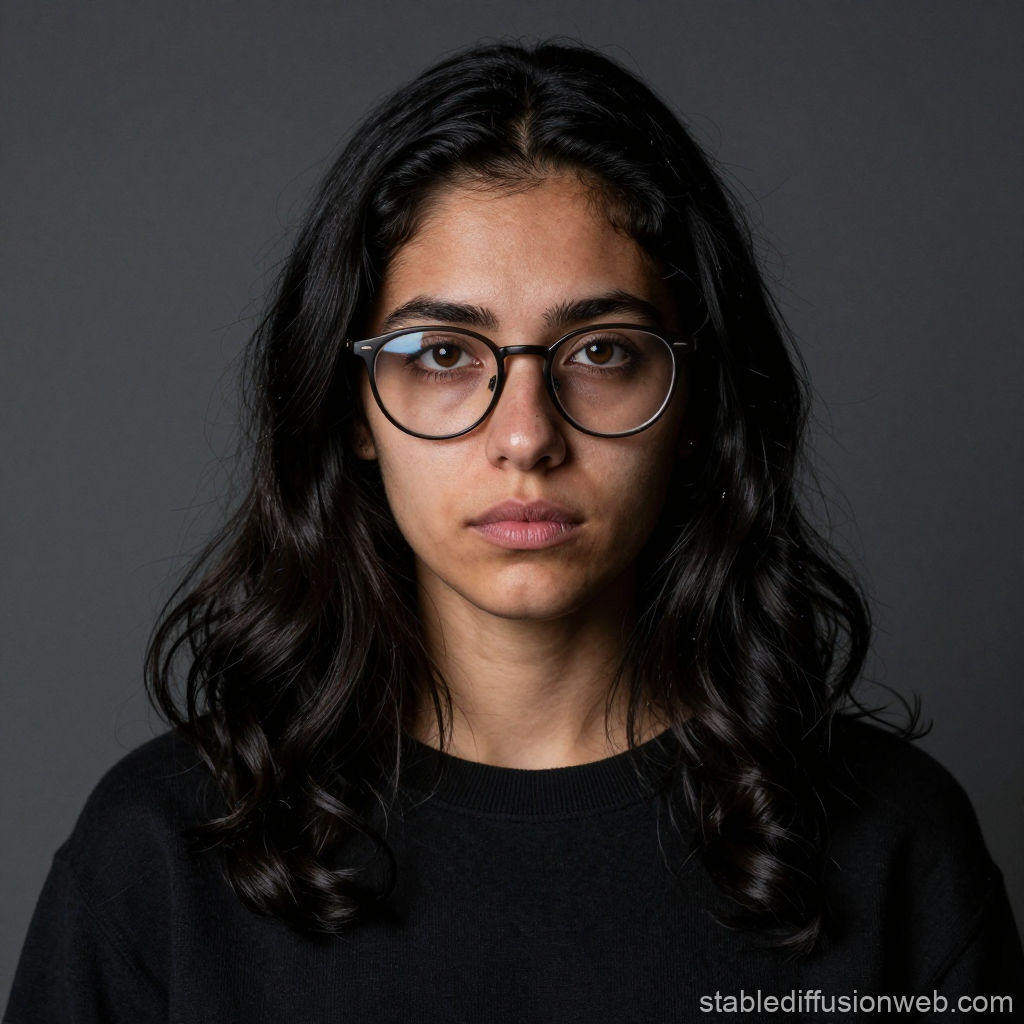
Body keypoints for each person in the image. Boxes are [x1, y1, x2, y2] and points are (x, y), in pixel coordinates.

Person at [5, 41, 1021, 1023]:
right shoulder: (159, 858)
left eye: (603, 351)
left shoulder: (892, 848)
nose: (526, 435)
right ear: (352, 407)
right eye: (444, 353)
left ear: (696, 402)